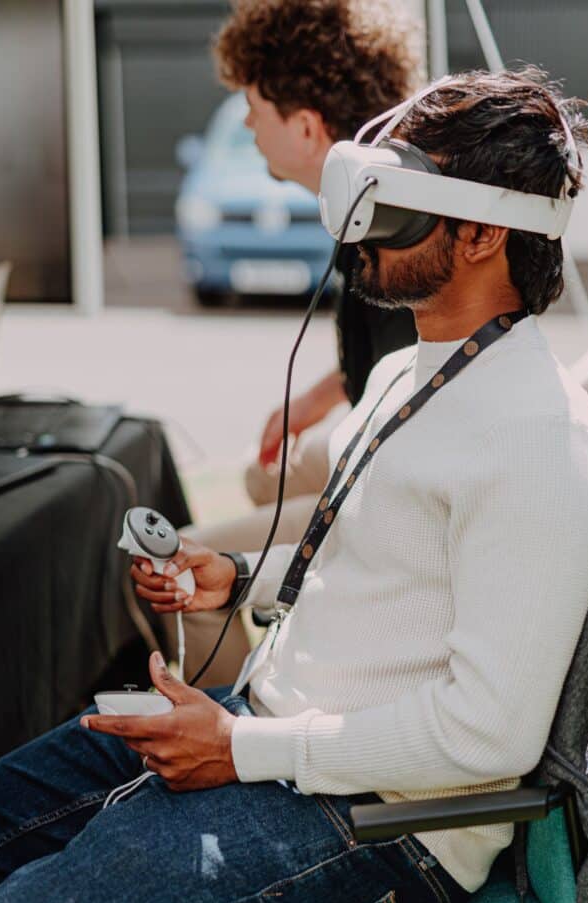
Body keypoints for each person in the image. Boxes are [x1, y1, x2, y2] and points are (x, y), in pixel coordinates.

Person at [0, 68, 588, 903]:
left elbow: (486, 733)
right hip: (276, 735)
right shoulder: (411, 371)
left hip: (379, 827)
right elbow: (389, 564)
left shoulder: (537, 439)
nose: (359, 227)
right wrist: (239, 576)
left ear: (485, 234)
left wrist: (239, 748)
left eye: (395, 201)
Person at [171, 0, 420, 685]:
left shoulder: (383, 235)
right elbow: (394, 349)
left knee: (178, 567)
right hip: (371, 452)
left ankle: (225, 720)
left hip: (389, 491)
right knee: (261, 477)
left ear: (306, 127)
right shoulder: (376, 199)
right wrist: (317, 398)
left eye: (254, 111)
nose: (248, 126)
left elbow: (410, 411)